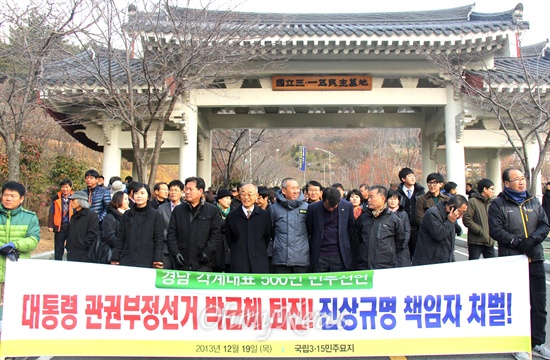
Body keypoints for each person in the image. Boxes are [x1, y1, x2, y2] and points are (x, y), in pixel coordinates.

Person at [488, 169, 550, 360]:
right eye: (516, 179)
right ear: (506, 183)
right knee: (516, 303)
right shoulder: (498, 204)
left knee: (538, 303)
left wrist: (531, 241)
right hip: (513, 260)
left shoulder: (533, 201)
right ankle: (518, 343)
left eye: (522, 179)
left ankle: (537, 342)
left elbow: (545, 225)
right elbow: (496, 230)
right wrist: (517, 243)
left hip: (535, 258)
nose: (521, 182)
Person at [166, 177, 222, 271]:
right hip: (182, 261)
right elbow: (171, 234)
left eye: (190, 189)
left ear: (200, 191)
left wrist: (208, 252)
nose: (187, 192)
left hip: (204, 262)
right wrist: (175, 252)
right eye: (186, 189)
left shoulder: (212, 210)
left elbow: (216, 235)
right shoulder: (178, 210)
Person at [0, 181, 40, 304]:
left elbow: (33, 239)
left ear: (21, 199)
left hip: (17, 270)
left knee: (13, 306)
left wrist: (15, 245)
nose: (8, 199)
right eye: (5, 195)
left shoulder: (29, 217)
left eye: (13, 196)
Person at [111, 183, 164, 269]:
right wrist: (115, 257)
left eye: (142, 193)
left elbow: (158, 239)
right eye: (136, 193)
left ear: (148, 196)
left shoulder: (155, 215)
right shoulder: (127, 214)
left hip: (147, 259)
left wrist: (158, 259)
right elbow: (120, 238)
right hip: (127, 258)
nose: (139, 196)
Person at [225, 184, 272, 273]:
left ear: (257, 196)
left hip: (259, 261)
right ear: (239, 195)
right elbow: (229, 239)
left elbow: (267, 236)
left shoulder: (264, 215)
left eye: (250, 194)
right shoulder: (232, 216)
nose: (246, 197)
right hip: (239, 261)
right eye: (243, 194)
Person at [306, 187, 354, 272]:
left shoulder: (347, 206)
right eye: (328, 207)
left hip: (340, 255)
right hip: (320, 255)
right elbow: (310, 228)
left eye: (334, 207)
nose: (331, 209)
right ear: (323, 199)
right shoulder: (313, 208)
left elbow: (350, 228)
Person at [357, 185, 405, 270]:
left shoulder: (393, 219)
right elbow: (358, 239)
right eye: (368, 197)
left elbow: (400, 241)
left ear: (382, 198)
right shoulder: (363, 218)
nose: (368, 200)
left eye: (371, 197)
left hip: (385, 266)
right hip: (364, 265)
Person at [412, 195, 468, 266]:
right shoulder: (432, 214)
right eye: (461, 212)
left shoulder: (450, 217)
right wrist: (450, 221)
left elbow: (449, 242)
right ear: (452, 208)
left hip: (444, 260)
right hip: (429, 262)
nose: (461, 216)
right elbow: (439, 234)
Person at [269, 178, 309, 273]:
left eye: (297, 188)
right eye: (292, 188)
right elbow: (270, 230)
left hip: (301, 257)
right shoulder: (274, 209)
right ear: (283, 190)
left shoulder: (307, 207)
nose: (296, 191)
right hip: (281, 258)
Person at [462, 178, 496, 260]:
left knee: (493, 267)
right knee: (473, 267)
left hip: (489, 241)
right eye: (491, 189)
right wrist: (480, 230)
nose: (493, 191)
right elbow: (467, 219)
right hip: (476, 241)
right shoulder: (473, 202)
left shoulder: (492, 203)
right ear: (485, 189)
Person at [396, 167, 425, 259]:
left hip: (417, 229)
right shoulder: (397, 194)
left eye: (413, 176)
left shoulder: (420, 192)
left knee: (418, 256)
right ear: (403, 179)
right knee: (402, 256)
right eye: (409, 176)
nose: (413, 178)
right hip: (402, 230)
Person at [158, 180, 185, 270]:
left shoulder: (186, 208)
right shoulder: (161, 208)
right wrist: (171, 237)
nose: (173, 192)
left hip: (181, 248)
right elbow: (159, 227)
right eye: (171, 190)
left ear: (182, 192)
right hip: (166, 249)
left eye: (176, 190)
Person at [65, 191, 99, 262]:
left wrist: (84, 245)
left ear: (81, 201)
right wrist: (68, 245)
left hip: (85, 254)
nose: (71, 202)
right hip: (72, 252)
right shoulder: (74, 216)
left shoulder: (92, 215)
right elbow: (70, 232)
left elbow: (92, 234)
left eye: (73, 200)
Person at [47, 179, 74, 260]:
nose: (65, 189)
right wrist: (50, 225)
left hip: (71, 226)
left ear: (70, 187)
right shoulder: (56, 198)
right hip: (60, 225)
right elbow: (52, 212)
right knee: (58, 248)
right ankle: (57, 263)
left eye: (67, 187)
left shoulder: (75, 197)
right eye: (63, 187)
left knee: (71, 247)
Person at [101, 191, 129, 264]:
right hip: (113, 254)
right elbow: (110, 237)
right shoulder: (110, 217)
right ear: (119, 200)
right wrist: (123, 247)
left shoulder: (129, 216)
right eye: (125, 199)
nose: (128, 201)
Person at [387, 189, 411, 267]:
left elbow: (407, 231)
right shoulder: (384, 214)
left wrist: (402, 245)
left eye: (395, 199)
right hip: (387, 248)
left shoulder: (403, 214)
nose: (393, 201)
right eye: (391, 199)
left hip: (402, 249)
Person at [214, 188, 232, 272]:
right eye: (226, 198)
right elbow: (216, 225)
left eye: (230, 198)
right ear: (219, 200)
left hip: (230, 248)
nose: (229, 201)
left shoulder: (233, 212)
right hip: (217, 247)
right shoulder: (213, 210)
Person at [346, 189, 364, 270]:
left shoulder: (365, 213)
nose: (354, 199)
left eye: (357, 197)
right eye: (352, 197)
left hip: (361, 243)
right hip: (347, 243)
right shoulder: (344, 212)